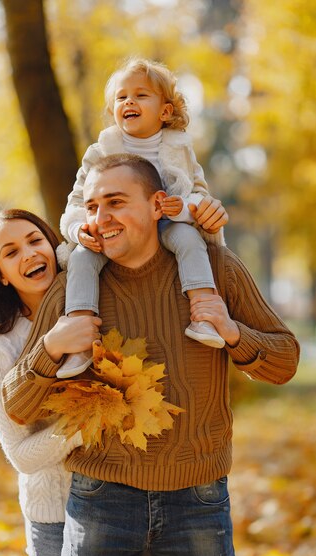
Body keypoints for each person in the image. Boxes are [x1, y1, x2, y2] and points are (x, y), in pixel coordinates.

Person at [1, 155, 300, 556]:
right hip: (100, 497)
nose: (102, 219)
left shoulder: (216, 270)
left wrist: (234, 332)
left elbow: (285, 361)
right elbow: (16, 405)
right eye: (94, 207)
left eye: (116, 203)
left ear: (159, 204)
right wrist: (51, 347)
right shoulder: (74, 291)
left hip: (197, 497)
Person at [0, 208, 172, 556]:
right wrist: (86, 418)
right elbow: (22, 456)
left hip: (127, 498)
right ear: (0, 274)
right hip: (54, 517)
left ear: (54, 247)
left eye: (35, 241)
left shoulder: (98, 301)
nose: (28, 254)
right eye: (11, 251)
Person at [57, 57, 228, 378]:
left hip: (166, 226)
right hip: (111, 233)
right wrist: (80, 229)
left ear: (164, 111)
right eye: (121, 97)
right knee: (81, 258)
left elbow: (200, 193)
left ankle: (204, 313)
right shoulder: (100, 152)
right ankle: (80, 338)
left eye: (140, 95)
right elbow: (76, 202)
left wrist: (186, 207)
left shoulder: (180, 149)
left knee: (190, 240)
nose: (129, 102)